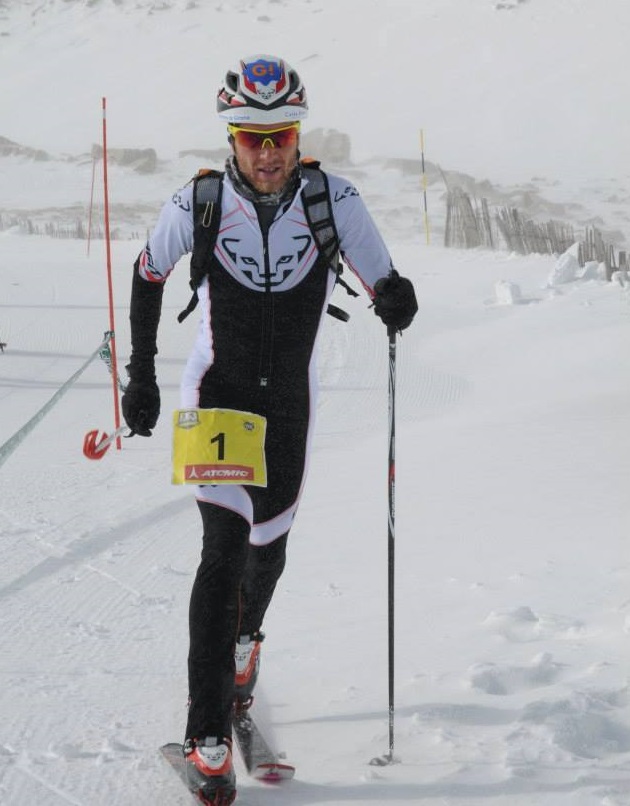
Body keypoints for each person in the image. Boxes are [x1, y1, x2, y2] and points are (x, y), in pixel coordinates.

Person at [121, 54, 417, 804]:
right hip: (216, 397)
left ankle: (245, 654)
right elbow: (148, 274)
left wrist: (395, 297)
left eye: (280, 133)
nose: (267, 150)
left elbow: (383, 275)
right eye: (252, 137)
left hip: (289, 403)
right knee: (220, 555)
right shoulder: (199, 204)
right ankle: (207, 732)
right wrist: (140, 377)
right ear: (231, 136)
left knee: (266, 555)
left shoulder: (332, 198)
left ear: (296, 133)